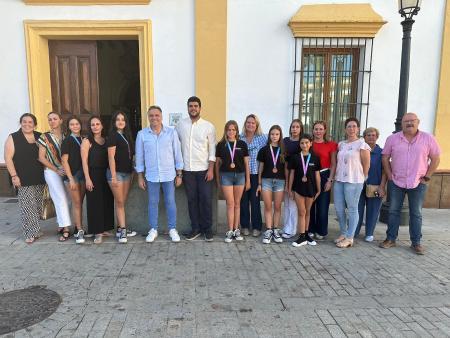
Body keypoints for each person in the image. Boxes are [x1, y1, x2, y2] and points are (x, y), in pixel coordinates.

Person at [379, 113, 441, 255]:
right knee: (394, 211)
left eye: (412, 121)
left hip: (418, 182)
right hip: (396, 181)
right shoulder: (393, 139)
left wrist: (427, 176)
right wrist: (389, 175)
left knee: (416, 213)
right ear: (402, 124)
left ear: (418, 122)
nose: (409, 123)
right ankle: (390, 239)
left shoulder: (428, 138)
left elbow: (436, 158)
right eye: (406, 121)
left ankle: (416, 243)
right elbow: (385, 157)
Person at [135, 106, 183, 243]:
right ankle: (153, 229)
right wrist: (140, 176)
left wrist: (179, 174)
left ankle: (173, 229)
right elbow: (139, 157)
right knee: (152, 202)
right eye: (151, 115)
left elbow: (177, 153)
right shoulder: (142, 134)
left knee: (170, 202)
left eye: (157, 115)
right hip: (151, 175)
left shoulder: (171, 133)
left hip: (169, 174)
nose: (154, 118)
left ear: (161, 116)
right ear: (148, 117)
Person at [176, 96, 216, 241]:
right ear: (187, 108)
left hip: (204, 170)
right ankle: (195, 228)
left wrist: (211, 169)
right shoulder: (180, 125)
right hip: (187, 170)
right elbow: (176, 147)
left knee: (206, 199)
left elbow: (212, 150)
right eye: (190, 106)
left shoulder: (208, 126)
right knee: (192, 200)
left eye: (195, 106)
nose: (193, 108)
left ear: (200, 108)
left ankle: (208, 229)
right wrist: (178, 171)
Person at [4, 113, 45, 243]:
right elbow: (8, 158)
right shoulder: (13, 137)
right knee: (27, 206)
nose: (27, 124)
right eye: (24, 121)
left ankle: (36, 229)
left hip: (39, 177)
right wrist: (14, 176)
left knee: (38, 206)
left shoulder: (40, 136)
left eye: (30, 122)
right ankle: (29, 233)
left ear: (35, 124)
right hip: (22, 177)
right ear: (20, 123)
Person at [334, 117, 371, 248]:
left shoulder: (362, 144)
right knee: (338, 209)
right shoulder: (341, 144)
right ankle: (343, 233)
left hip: (354, 181)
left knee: (352, 209)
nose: (351, 129)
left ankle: (350, 237)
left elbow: (367, 164)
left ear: (358, 128)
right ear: (345, 129)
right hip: (339, 180)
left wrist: (362, 178)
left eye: (354, 126)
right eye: (349, 126)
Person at [37, 112, 72, 241]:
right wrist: (56, 169)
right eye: (50, 119)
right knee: (60, 199)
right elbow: (41, 157)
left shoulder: (66, 136)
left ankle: (61, 223)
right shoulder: (44, 137)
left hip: (66, 171)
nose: (52, 121)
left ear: (61, 121)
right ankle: (66, 228)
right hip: (52, 172)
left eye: (55, 119)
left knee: (68, 199)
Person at [81, 116, 115, 244]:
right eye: (92, 125)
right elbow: (84, 161)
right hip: (93, 174)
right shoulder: (87, 141)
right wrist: (87, 179)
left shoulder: (106, 140)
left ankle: (105, 228)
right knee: (95, 203)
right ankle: (97, 232)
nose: (95, 126)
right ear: (90, 127)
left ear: (102, 126)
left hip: (105, 174)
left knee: (106, 201)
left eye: (97, 124)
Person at [215, 120, 250, 243]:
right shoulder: (221, 145)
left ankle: (236, 230)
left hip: (240, 176)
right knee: (230, 203)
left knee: (237, 204)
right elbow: (217, 164)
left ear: (237, 131)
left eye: (233, 130)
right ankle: (229, 230)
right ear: (226, 131)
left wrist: (248, 180)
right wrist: (218, 180)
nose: (231, 132)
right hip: (226, 176)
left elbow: (246, 163)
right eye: (229, 130)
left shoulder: (242, 144)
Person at [107, 110, 137, 244]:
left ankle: (120, 228)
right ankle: (123, 231)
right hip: (116, 174)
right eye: (118, 119)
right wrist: (113, 176)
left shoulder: (127, 136)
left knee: (122, 202)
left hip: (127, 173)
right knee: (119, 202)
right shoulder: (113, 136)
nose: (120, 122)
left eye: (123, 119)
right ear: (114, 122)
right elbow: (111, 157)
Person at [287, 134, 321, 247]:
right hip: (298, 188)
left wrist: (319, 189)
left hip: (311, 189)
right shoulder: (295, 157)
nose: (304, 145)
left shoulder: (315, 157)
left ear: (311, 143)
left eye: (307, 142)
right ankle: (301, 236)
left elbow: (317, 175)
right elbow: (291, 174)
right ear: (299, 144)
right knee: (301, 212)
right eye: (302, 143)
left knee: (308, 211)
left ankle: (306, 234)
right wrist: (290, 188)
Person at [355, 127, 387, 242]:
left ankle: (369, 233)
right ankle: (355, 231)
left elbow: (385, 171)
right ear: (364, 137)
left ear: (377, 137)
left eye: (373, 135)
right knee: (357, 209)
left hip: (375, 185)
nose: (371, 137)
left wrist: (382, 186)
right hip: (359, 184)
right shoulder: (359, 150)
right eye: (368, 135)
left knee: (373, 210)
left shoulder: (382, 153)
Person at [256, 125, 286, 244]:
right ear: (269, 135)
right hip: (266, 181)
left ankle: (276, 229)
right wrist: (259, 182)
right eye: (272, 134)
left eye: (277, 134)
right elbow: (261, 167)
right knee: (268, 206)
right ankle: (268, 230)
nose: (274, 136)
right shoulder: (264, 150)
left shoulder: (284, 150)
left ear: (280, 136)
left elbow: (287, 169)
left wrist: (287, 183)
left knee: (278, 207)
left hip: (280, 181)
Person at [309, 121, 337, 240]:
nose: (318, 131)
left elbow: (334, 163)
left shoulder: (331, 145)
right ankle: (310, 229)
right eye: (316, 129)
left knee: (323, 206)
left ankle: (321, 231)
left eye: (320, 129)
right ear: (313, 130)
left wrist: (330, 180)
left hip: (325, 175)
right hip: (310, 175)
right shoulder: (308, 144)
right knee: (310, 205)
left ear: (325, 131)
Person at [240, 114, 267, 237]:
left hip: (256, 174)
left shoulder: (263, 139)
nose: (250, 125)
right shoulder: (240, 138)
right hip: (242, 174)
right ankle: (244, 226)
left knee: (255, 201)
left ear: (256, 125)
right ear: (245, 124)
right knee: (243, 201)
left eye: (253, 123)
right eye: (248, 122)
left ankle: (257, 226)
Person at [61, 116, 86, 244]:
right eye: (72, 124)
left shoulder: (84, 139)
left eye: (77, 124)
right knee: (76, 203)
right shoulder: (67, 141)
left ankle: (78, 228)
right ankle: (80, 231)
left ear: (80, 125)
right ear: (69, 126)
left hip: (83, 175)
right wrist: (70, 178)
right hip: (73, 176)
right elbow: (64, 161)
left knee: (80, 203)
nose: (75, 126)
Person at [282, 119, 303, 239]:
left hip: (298, 175)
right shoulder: (285, 141)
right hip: (285, 173)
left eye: (297, 127)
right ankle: (286, 226)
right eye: (293, 127)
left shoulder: (302, 142)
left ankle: (291, 230)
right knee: (287, 203)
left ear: (300, 129)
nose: (294, 129)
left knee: (293, 204)